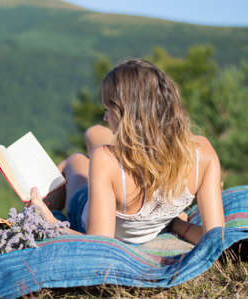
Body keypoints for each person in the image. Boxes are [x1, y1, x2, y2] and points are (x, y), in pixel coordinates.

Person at [30, 59, 225, 245]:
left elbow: (99, 245)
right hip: (153, 194)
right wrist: (177, 224)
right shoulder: (204, 153)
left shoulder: (104, 160)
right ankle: (137, 144)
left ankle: (47, 196)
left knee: (74, 161)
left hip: (97, 199)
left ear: (127, 116)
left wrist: (49, 221)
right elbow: (214, 237)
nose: (106, 117)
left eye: (109, 110)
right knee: (94, 133)